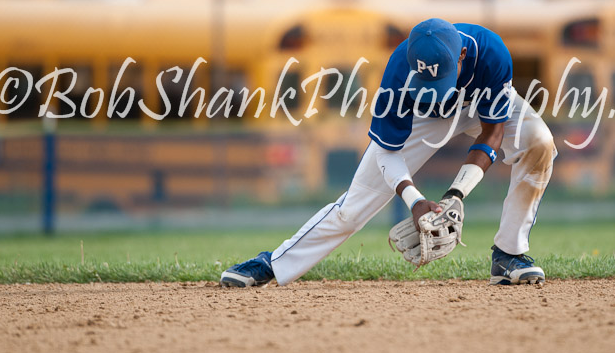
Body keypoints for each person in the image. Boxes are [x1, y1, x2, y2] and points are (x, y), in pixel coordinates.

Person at [220, 18, 556, 287]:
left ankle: (509, 254)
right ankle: (274, 263)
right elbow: (387, 151)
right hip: (425, 119)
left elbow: (493, 130)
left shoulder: (490, 52)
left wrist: (456, 195)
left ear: (461, 58)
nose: (434, 91)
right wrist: (413, 199)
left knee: (540, 142)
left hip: (479, 105)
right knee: (352, 208)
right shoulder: (398, 72)